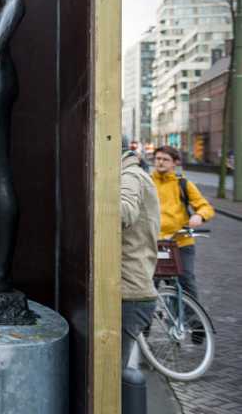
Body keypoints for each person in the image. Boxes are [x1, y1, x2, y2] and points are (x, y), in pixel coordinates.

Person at [151, 145, 214, 299]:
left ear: (175, 163)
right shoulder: (147, 182)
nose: (160, 162)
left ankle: (193, 322)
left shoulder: (183, 184)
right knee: (147, 285)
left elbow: (205, 207)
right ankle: (145, 322)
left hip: (180, 242)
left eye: (165, 159)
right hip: (153, 242)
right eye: (158, 158)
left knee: (186, 282)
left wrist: (199, 216)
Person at [120, 144, 160, 368]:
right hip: (132, 292)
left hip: (131, 294)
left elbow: (125, 210)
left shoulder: (130, 176)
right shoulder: (134, 174)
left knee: (114, 376)